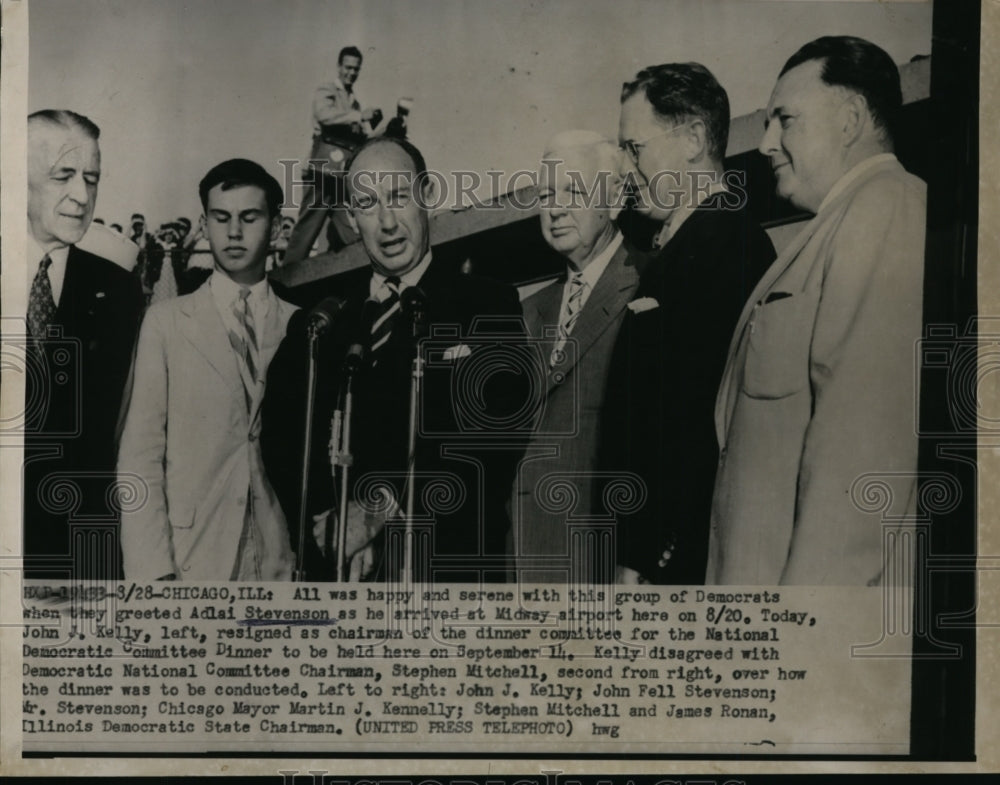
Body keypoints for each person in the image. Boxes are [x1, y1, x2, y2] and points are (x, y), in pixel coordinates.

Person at [708, 36, 926, 586]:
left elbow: (862, 453)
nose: (765, 144)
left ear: (851, 120)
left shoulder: (884, 207)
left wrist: (808, 632)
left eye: (785, 119)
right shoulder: (840, 223)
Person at [263, 137, 527, 582]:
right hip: (341, 575)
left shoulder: (488, 304)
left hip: (446, 573)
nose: (387, 222)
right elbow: (283, 439)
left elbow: (490, 438)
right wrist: (330, 522)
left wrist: (380, 508)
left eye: (399, 197)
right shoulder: (323, 323)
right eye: (367, 204)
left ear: (425, 196)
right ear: (350, 218)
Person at [599, 63, 776, 585]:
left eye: (635, 148)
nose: (628, 169)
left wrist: (646, 554)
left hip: (672, 564)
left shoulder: (725, 244)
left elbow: (696, 427)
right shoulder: (696, 244)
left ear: (695, 138)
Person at [118, 159, 298, 580]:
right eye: (221, 218)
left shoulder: (299, 323)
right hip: (190, 562)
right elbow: (139, 458)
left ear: (274, 227)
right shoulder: (164, 322)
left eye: (249, 217)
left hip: (280, 562)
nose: (234, 232)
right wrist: (151, 571)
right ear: (204, 223)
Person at [511, 131, 640, 583]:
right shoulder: (528, 310)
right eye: (546, 194)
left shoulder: (649, 285)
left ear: (615, 199)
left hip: (601, 566)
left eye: (574, 191)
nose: (556, 208)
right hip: (524, 562)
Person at [23, 109, 144, 579]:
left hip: (80, 557)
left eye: (91, 179)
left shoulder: (118, 289)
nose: (82, 196)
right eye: (63, 176)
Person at [283, 45, 392, 265]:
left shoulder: (354, 102)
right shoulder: (328, 90)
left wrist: (388, 132)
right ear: (339, 67)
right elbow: (324, 115)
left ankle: (361, 266)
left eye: (356, 69)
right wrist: (359, 116)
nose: (351, 73)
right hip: (322, 171)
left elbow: (361, 140)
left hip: (339, 174)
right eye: (348, 68)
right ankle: (284, 279)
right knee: (307, 228)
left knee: (348, 228)